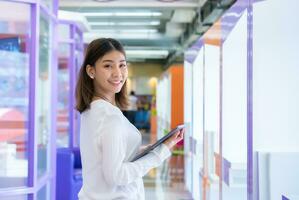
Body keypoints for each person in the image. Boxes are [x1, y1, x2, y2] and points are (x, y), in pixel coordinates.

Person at [75, 38, 184, 200]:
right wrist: (160, 153)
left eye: (122, 65)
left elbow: (103, 157)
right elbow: (117, 176)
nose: (118, 73)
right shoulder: (110, 116)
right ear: (91, 71)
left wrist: (140, 151)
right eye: (107, 66)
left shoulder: (91, 110)